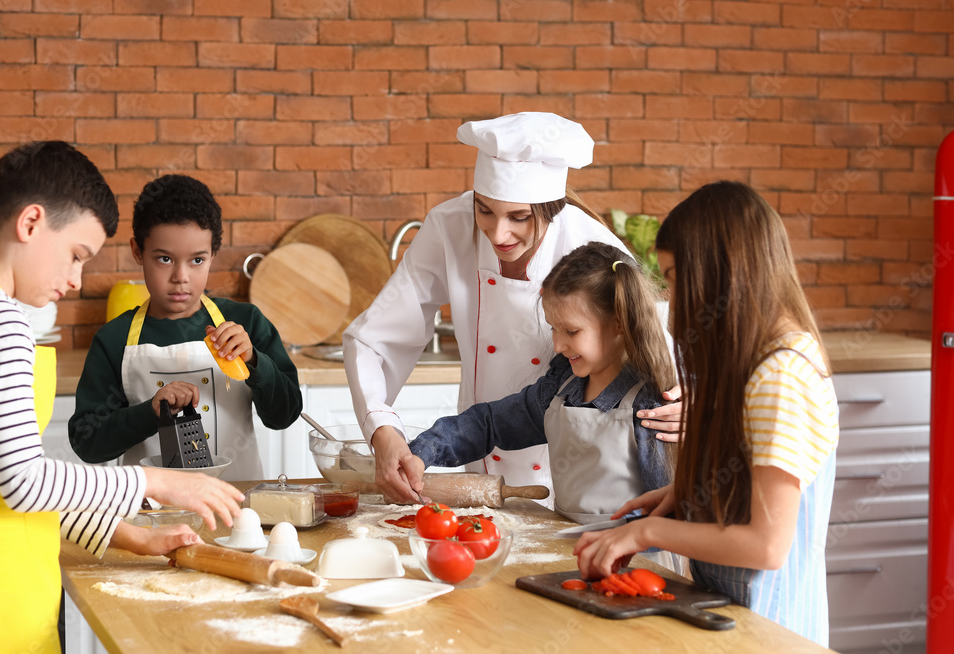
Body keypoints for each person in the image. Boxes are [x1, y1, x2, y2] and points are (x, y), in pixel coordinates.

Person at [0, 141, 243, 654]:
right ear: (31, 223)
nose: (75, 279)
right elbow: (23, 483)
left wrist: (133, 537)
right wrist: (156, 480)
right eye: (75, 255)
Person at [343, 112, 681, 504]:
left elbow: (660, 342)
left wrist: (688, 400)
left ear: (550, 209)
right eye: (484, 210)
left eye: (519, 217)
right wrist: (384, 429)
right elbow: (377, 338)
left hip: (570, 492)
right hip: (480, 466)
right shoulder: (448, 226)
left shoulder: (592, 249)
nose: (498, 234)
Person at [574, 181, 839, 645]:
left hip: (768, 633)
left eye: (674, 278)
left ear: (718, 273)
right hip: (730, 622)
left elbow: (767, 546)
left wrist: (648, 533)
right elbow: (758, 471)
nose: (671, 303)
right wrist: (688, 490)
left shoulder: (781, 377)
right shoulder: (761, 357)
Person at [407, 243, 675, 523]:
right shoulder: (559, 389)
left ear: (618, 324)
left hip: (637, 558)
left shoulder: (651, 407)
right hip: (572, 548)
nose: (558, 345)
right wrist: (424, 451)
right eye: (553, 328)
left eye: (571, 331)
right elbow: (489, 424)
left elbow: (667, 513)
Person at [68, 174, 303, 480]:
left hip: (235, 510)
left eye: (197, 260)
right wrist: (149, 412)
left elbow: (284, 416)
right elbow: (88, 443)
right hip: (149, 515)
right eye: (164, 259)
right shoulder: (114, 339)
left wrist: (256, 362)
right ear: (137, 251)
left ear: (212, 255)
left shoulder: (247, 323)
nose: (181, 276)